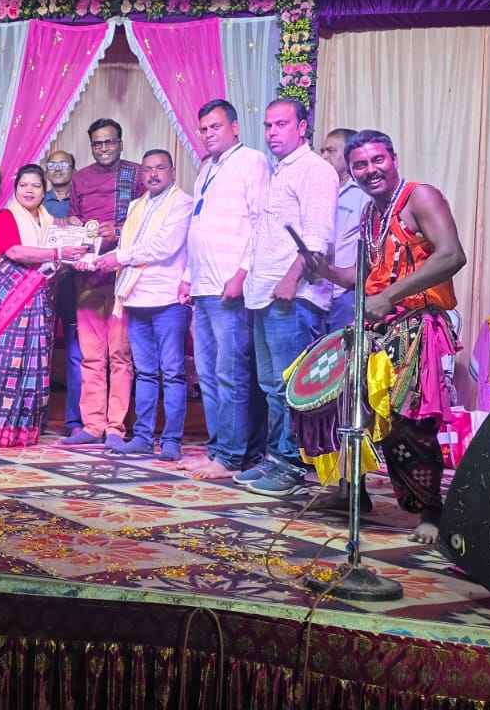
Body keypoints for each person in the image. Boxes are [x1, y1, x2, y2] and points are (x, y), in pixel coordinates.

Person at [302, 129, 466, 545]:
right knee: (351, 408)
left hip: (419, 325)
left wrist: (390, 296)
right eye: (360, 164)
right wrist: (324, 271)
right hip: (382, 326)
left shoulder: (420, 197)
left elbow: (452, 255)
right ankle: (351, 492)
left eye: (378, 160)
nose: (370, 170)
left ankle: (431, 512)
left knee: (412, 421)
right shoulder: (370, 214)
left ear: (393, 159)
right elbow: (364, 277)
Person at [233, 99, 337, 497]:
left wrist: (291, 280)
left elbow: (317, 237)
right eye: (268, 125)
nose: (272, 132)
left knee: (291, 385)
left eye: (281, 124)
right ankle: (276, 459)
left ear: (302, 126)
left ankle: (292, 466)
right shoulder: (278, 171)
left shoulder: (315, 170)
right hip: (264, 295)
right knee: (270, 384)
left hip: (293, 297)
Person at [175, 100, 270, 480]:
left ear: (235, 127)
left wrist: (242, 273)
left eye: (215, 127)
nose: (208, 134)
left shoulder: (252, 162)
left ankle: (233, 455)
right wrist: (187, 275)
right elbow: (197, 226)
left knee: (232, 373)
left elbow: (261, 223)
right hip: (203, 286)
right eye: (203, 128)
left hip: (231, 287)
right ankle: (219, 450)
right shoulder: (206, 168)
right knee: (210, 375)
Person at [0, 165, 88, 447]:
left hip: (40, 299)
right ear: (15, 189)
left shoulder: (48, 222)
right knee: (7, 362)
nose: (29, 190)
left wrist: (76, 248)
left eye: (35, 185)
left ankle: (23, 431)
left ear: (44, 191)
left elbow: (61, 250)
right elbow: (14, 251)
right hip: (11, 299)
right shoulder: (7, 216)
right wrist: (57, 252)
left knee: (34, 364)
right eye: (23, 185)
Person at [87, 149, 192, 461]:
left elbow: (163, 247)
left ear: (172, 171)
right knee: (145, 372)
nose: (153, 174)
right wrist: (97, 258)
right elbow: (128, 246)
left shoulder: (182, 203)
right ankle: (144, 437)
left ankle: (171, 440)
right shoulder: (136, 205)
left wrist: (118, 257)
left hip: (168, 298)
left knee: (172, 372)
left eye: (160, 168)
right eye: (147, 169)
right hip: (135, 297)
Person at [57, 119, 143, 447]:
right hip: (88, 277)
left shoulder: (136, 175)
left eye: (109, 142)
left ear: (120, 143)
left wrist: (117, 232)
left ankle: (115, 428)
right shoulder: (80, 179)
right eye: (97, 143)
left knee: (120, 355)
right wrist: (76, 235)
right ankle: (92, 425)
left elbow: (147, 221)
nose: (104, 148)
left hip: (123, 279)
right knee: (91, 356)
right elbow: (75, 220)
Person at [41, 149, 85, 440]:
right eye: (52, 164)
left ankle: (74, 420)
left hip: (75, 284)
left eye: (63, 164)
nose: (57, 169)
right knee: (37, 353)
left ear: (73, 168)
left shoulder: (81, 202)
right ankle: (36, 416)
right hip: (42, 285)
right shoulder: (36, 200)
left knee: (76, 355)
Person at [318, 128, 369, 332]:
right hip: (315, 294)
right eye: (322, 151)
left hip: (345, 295)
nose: (323, 157)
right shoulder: (318, 192)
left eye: (330, 151)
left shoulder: (363, 196)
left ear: (349, 156)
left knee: (341, 350)